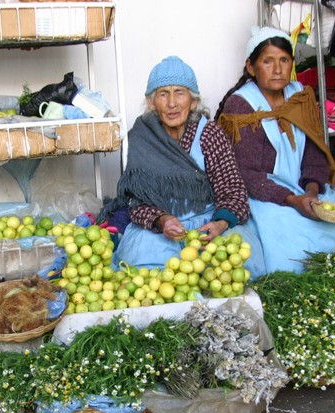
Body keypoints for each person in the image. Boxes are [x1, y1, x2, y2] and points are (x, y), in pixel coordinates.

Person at [107, 56, 265, 275]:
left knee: (232, 263)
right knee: (147, 266)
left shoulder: (209, 134)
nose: (172, 103)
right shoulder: (141, 139)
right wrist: (162, 221)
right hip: (161, 227)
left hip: (208, 223)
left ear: (193, 101)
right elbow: (137, 202)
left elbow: (233, 192)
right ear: (152, 103)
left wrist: (219, 224)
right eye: (163, 94)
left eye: (179, 92)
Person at [216, 27, 335, 273]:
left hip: (302, 187)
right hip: (263, 195)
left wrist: (311, 191)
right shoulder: (241, 105)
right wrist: (292, 200)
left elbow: (314, 153)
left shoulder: (299, 95)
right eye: (267, 61)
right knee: (289, 243)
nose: (278, 69)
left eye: (284, 60)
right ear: (251, 67)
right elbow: (246, 174)